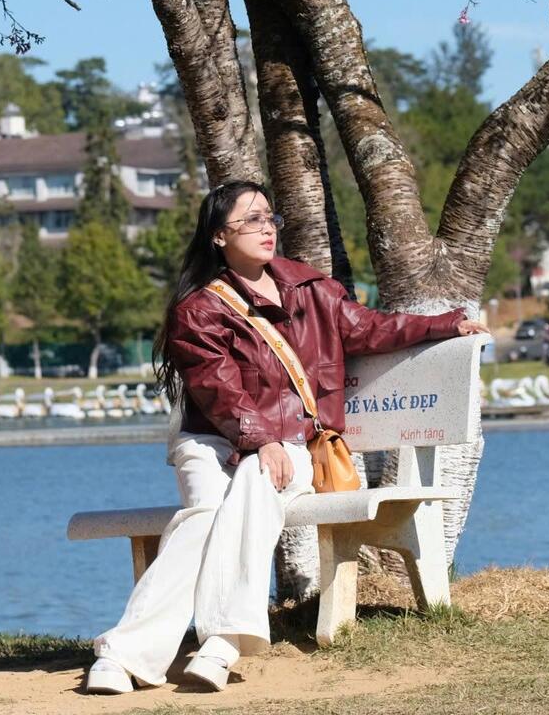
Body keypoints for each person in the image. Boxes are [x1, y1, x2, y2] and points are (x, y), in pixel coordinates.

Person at [83, 181, 488, 695]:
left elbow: (372, 328)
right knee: (208, 516)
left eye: (269, 218)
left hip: (294, 446)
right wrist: (258, 438)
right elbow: (218, 391)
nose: (266, 228)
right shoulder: (198, 311)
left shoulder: (310, 289)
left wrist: (448, 325)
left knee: (250, 482)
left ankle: (155, 650)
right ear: (217, 237)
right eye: (250, 220)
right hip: (210, 444)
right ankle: (212, 643)